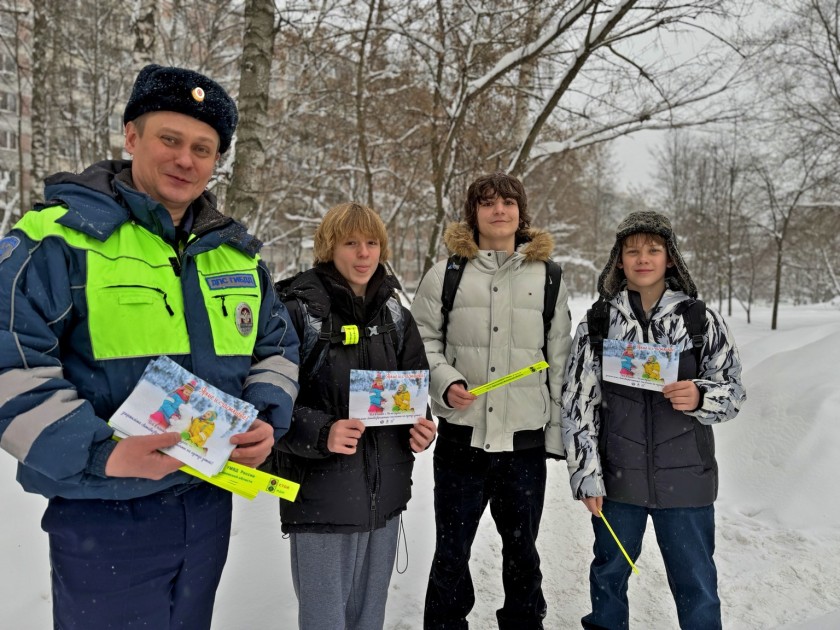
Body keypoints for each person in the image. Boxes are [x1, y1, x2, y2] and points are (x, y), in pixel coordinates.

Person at [0, 64, 299, 629]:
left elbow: (277, 347)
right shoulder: (56, 240)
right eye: (171, 139)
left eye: (204, 149)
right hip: (104, 517)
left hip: (206, 508)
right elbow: (8, 362)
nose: (186, 160)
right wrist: (101, 454)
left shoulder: (236, 257)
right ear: (131, 136)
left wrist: (263, 417)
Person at [560, 211, 746, 630]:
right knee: (608, 579)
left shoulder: (700, 321)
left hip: (687, 484)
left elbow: (733, 392)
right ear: (619, 261)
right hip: (617, 483)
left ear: (670, 259)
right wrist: (587, 475)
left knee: (696, 587)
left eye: (653, 250)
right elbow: (577, 403)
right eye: (632, 251)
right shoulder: (597, 323)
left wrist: (701, 395)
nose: (642, 258)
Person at [411, 172, 573, 629]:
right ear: (474, 213)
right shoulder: (445, 275)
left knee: (523, 554)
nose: (498, 210)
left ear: (521, 212)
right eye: (487, 203)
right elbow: (422, 340)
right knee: (451, 553)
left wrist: (556, 434)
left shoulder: (549, 277)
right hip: (462, 441)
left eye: (508, 202)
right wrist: (444, 381)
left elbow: (559, 357)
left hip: (523, 446)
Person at [271, 202, 437, 630]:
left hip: (384, 503)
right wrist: (322, 431)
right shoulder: (297, 311)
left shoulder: (396, 313)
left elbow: (414, 391)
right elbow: (265, 405)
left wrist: (421, 428)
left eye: (372, 243)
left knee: (369, 620)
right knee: (325, 620)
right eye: (351, 243)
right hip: (321, 502)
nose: (364, 254)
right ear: (329, 248)